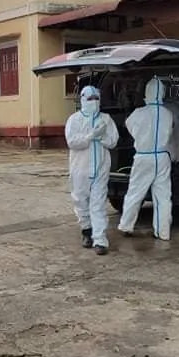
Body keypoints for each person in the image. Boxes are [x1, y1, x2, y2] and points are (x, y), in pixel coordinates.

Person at [118, 77, 174, 240]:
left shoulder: (138, 113)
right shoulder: (168, 113)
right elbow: (170, 132)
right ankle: (163, 232)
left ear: (147, 93)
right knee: (163, 196)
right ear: (162, 93)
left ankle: (126, 225)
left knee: (135, 192)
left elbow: (129, 126)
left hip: (144, 156)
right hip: (162, 157)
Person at [65, 85, 119, 255]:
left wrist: (102, 136)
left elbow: (113, 141)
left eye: (96, 98)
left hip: (101, 167)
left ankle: (100, 240)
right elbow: (72, 142)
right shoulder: (74, 120)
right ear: (82, 100)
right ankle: (86, 230)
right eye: (89, 99)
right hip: (80, 168)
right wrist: (91, 136)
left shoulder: (106, 119)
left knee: (98, 203)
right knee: (80, 200)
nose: (93, 102)